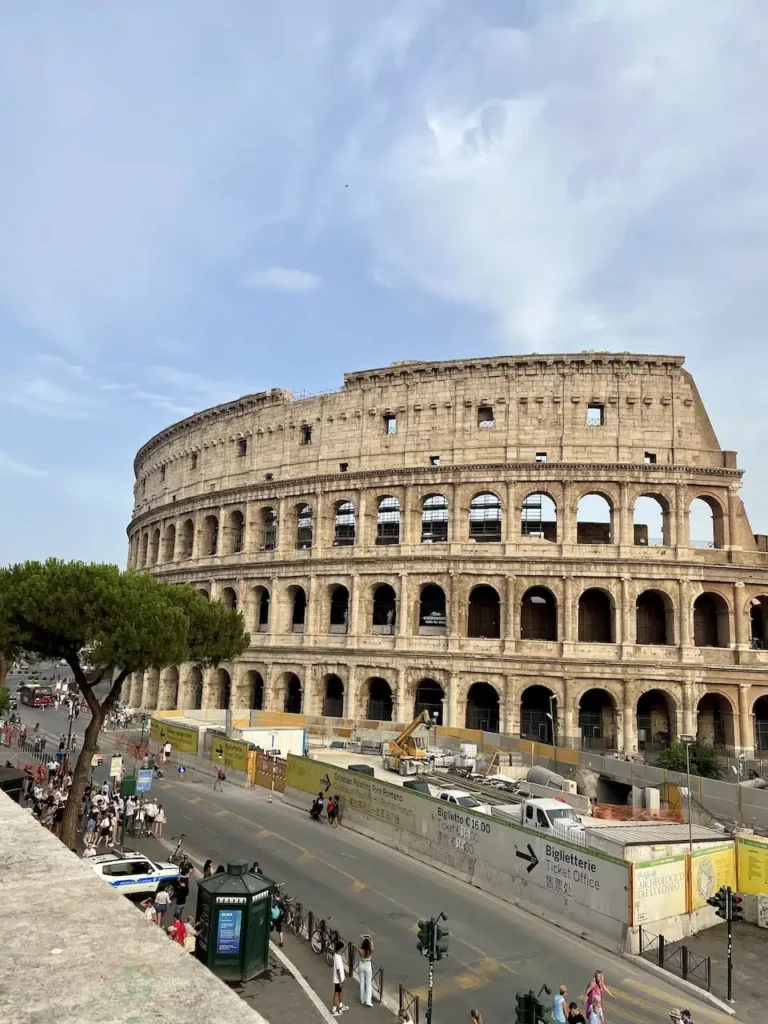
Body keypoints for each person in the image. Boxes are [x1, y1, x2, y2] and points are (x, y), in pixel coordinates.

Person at [331, 939, 348, 1016]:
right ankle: (334, 1010)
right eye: (342, 948)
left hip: (341, 979)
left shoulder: (338, 956)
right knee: (336, 993)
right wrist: (340, 981)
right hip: (338, 980)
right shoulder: (337, 958)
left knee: (340, 992)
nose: (342, 949)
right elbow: (338, 970)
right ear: (340, 948)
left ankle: (340, 1006)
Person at [358, 935, 374, 1007]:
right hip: (368, 965)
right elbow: (372, 946)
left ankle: (362, 1000)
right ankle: (368, 1001)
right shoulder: (369, 950)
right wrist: (370, 939)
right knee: (368, 983)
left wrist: (362, 940)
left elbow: (359, 947)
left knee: (362, 983)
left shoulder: (360, 951)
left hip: (361, 964)